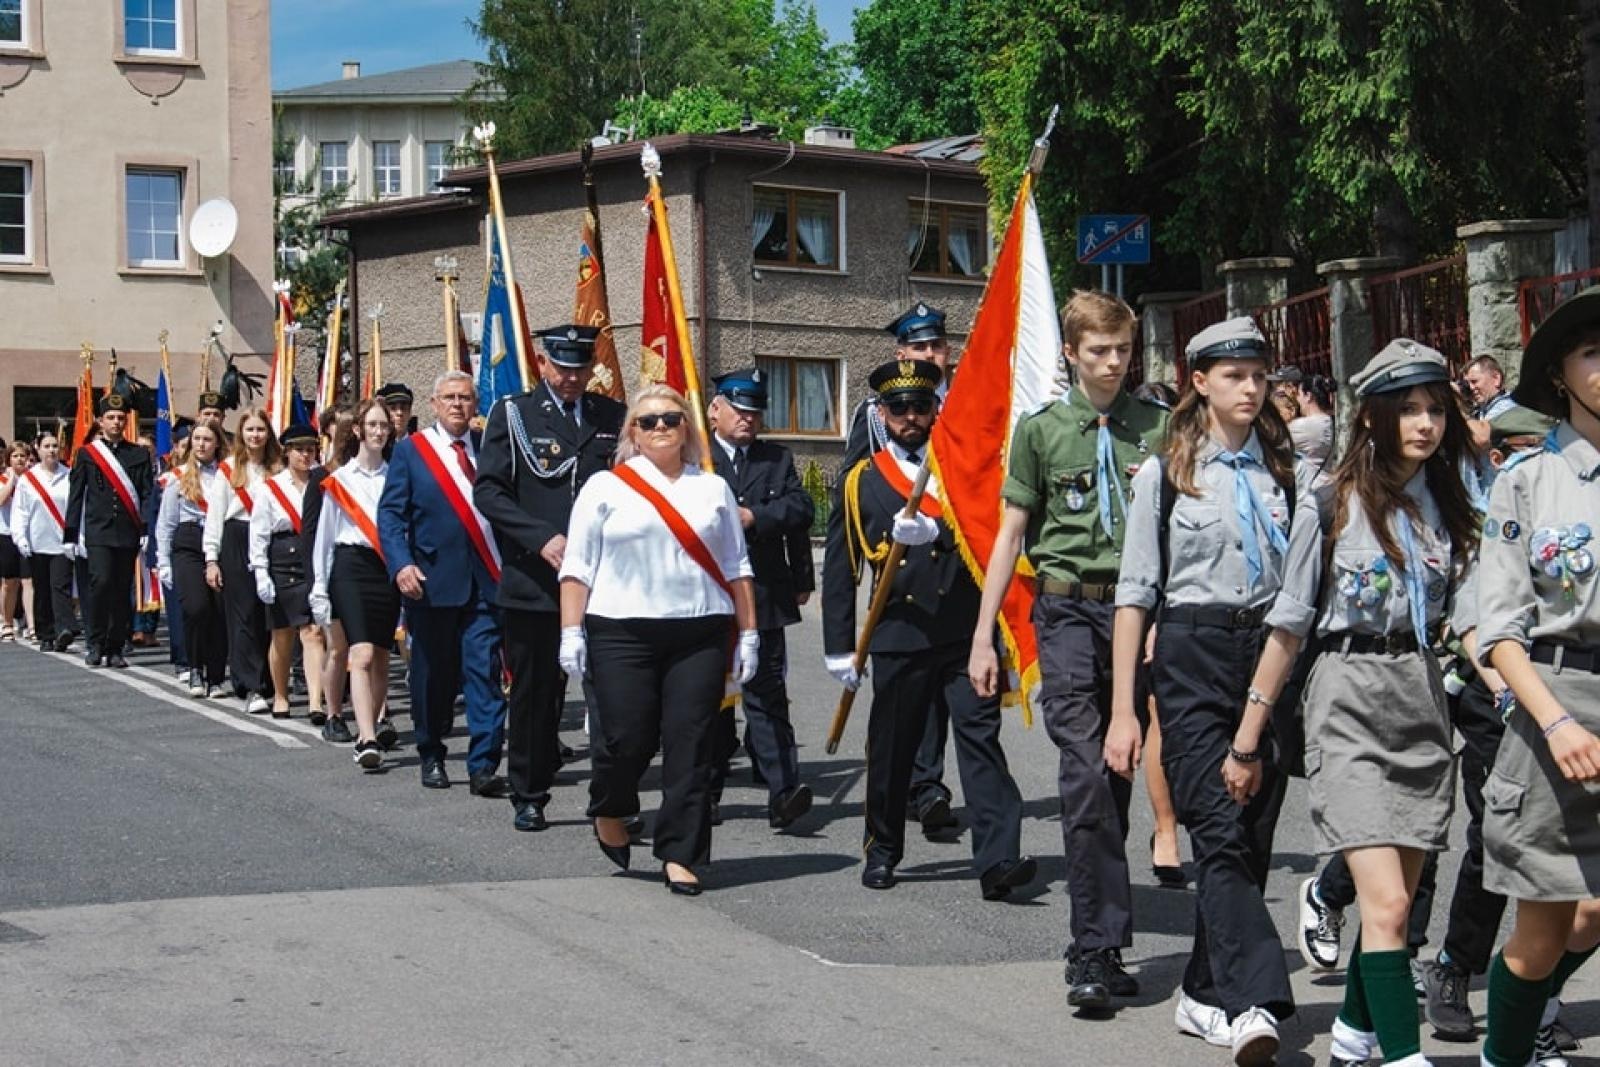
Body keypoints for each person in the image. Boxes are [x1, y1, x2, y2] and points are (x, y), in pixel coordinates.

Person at [1107, 317, 1310, 1064]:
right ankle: (1255, 998)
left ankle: (1201, 991)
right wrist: (1124, 708)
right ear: (1199, 381)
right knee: (1217, 828)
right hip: (1190, 651)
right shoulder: (1165, 476)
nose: (1251, 388)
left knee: (1250, 837)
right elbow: (1135, 593)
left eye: (1259, 375)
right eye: (1234, 375)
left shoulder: (1288, 474)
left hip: (1267, 656)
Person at [1271, 340, 1478, 1067]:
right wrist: (1249, 731)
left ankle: (1354, 1038)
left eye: (1436, 410)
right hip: (1347, 692)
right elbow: (1290, 621)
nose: (1425, 423)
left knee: (1397, 908)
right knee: (1387, 905)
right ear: (1373, 416)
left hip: (1421, 697)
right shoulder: (1331, 501)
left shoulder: (1452, 505)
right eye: (1409, 409)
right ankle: (1401, 1056)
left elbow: (1471, 619)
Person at [968, 290, 1164, 1008]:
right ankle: (1093, 948)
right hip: (1068, 610)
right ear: (1072, 354)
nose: (1113, 364)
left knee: (1117, 770)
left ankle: (1103, 937)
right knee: (1085, 772)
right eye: (1099, 351)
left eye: (1123, 351)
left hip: (1138, 611)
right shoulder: (1042, 431)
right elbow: (1009, 535)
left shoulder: (1159, 428)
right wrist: (984, 635)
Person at [823, 359, 1033, 897]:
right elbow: (842, 567)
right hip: (900, 633)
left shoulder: (963, 472)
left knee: (980, 743)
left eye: (921, 406)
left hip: (965, 631)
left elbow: (992, 539)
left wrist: (938, 532)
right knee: (893, 749)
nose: (911, 417)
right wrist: (839, 648)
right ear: (881, 414)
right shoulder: (861, 480)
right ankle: (882, 849)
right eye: (899, 409)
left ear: (936, 410)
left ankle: (998, 860)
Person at [558, 384, 758, 894]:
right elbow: (578, 566)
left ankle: (680, 853)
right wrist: (571, 631)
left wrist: (749, 634)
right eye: (648, 421)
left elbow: (737, 566)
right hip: (621, 629)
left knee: (692, 745)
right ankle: (610, 805)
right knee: (627, 737)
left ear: (687, 426)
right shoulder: (604, 487)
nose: (661, 427)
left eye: (671, 418)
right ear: (633, 431)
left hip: (699, 630)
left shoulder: (712, 488)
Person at [1475, 287, 1600, 1067]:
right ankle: (1508, 1052)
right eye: (1592, 352)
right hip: (1557, 703)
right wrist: (1556, 722)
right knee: (1544, 928)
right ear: (1560, 374)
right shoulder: (1528, 480)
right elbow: (1500, 632)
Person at [474, 325, 626, 831]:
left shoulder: (611, 416)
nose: (572, 378)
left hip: (602, 580)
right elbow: (490, 491)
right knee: (536, 696)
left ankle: (613, 798)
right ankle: (529, 792)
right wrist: (541, 539)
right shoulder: (515, 414)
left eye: (581, 368)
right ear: (542, 363)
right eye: (563, 367)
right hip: (537, 580)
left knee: (612, 695)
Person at [840, 301, 960, 835]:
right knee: (905, 698)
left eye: (937, 345)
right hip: (899, 572)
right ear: (902, 353)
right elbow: (855, 491)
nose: (929, 353)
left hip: (952, 570)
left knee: (947, 694)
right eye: (919, 346)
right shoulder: (876, 414)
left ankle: (927, 784)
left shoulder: (966, 405)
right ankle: (916, 785)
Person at [377, 370, 509, 795]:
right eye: (449, 397)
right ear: (434, 404)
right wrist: (401, 565)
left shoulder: (490, 447)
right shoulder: (412, 452)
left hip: (486, 582)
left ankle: (484, 764)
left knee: (484, 673)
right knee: (433, 677)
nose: (457, 404)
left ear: (475, 405)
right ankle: (431, 751)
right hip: (431, 584)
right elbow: (390, 515)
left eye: (465, 398)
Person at [705, 367, 817, 829]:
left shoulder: (775, 458)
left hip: (763, 595)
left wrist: (755, 517)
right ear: (714, 410)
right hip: (709, 597)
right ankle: (705, 792)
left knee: (767, 698)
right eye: (738, 410)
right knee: (711, 701)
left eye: (754, 411)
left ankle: (783, 792)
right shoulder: (697, 456)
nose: (748, 418)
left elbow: (801, 510)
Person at [311, 398, 400, 769]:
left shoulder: (397, 476)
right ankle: (366, 738)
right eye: (373, 425)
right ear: (359, 430)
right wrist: (319, 587)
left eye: (384, 425)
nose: (379, 431)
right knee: (359, 653)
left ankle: (373, 725)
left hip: (386, 569)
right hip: (350, 567)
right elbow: (324, 538)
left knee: (380, 655)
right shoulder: (340, 480)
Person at [63, 393, 154, 669]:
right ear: (100, 421)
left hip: (127, 531)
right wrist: (70, 534)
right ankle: (95, 643)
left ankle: (115, 646)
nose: (116, 422)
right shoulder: (87, 454)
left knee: (121, 590)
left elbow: (146, 494)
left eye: (120, 418)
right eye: (110, 418)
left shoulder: (137, 454)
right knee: (100, 584)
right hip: (98, 532)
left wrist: (146, 528)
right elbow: (76, 495)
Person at [204, 408, 280, 712]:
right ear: (241, 433)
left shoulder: (278, 467)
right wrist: (211, 558)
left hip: (270, 540)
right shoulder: (229, 469)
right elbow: (215, 516)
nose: (255, 435)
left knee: (268, 612)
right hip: (237, 537)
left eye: (260, 429)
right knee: (243, 613)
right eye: (250, 430)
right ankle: (250, 684)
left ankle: (268, 677)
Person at [248, 423, 324, 721]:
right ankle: (281, 694)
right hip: (283, 558)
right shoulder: (271, 488)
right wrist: (260, 571)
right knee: (282, 634)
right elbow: (258, 533)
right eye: (299, 450)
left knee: (313, 631)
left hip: (313, 557)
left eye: (310, 449)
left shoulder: (323, 482)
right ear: (287, 452)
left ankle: (316, 702)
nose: (306, 455)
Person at [158, 421, 229, 698]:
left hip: (219, 541)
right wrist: (163, 561)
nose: (201, 444)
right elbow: (166, 523)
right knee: (196, 608)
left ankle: (216, 676)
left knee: (218, 611)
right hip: (188, 542)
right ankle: (195, 667)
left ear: (217, 443)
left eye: (207, 439)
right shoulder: (178, 476)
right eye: (196, 438)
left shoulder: (226, 474)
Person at [10, 433, 74, 652]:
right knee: (42, 589)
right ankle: (46, 633)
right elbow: (20, 511)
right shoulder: (28, 479)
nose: (52, 450)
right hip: (37, 542)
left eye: (55, 446)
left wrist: (76, 537)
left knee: (60, 586)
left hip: (62, 543)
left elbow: (76, 508)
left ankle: (64, 628)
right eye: (46, 446)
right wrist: (20, 537)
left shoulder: (68, 475)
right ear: (37, 449)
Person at [0, 442, 35, 640]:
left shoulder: (32, 479)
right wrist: (12, 480)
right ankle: (6, 622)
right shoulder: (3, 479)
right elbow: (1, 500)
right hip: (6, 534)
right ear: (8, 459)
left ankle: (31, 625)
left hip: (28, 535)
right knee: (9, 582)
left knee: (29, 580)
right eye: (15, 456)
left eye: (23, 456)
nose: (19, 460)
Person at [1465, 354, 1516, 422]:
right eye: (1468, 383)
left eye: (1474, 381)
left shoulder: (1503, 411)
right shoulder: (1483, 408)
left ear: (1496, 378)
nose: (1471, 387)